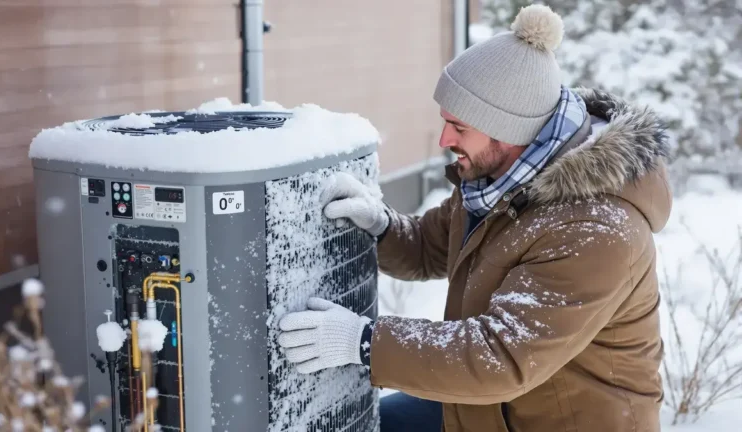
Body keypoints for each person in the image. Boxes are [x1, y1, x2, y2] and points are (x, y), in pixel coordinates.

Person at [276, 4, 673, 432]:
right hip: (491, 404)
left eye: (460, 127)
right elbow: (429, 247)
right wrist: (381, 226)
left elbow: (500, 357)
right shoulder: (499, 181)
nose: (445, 139)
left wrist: (364, 342)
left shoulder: (595, 230)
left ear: (510, 130)